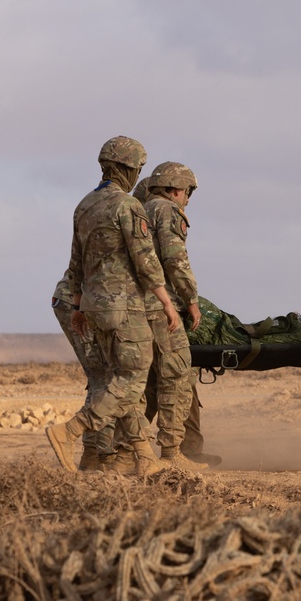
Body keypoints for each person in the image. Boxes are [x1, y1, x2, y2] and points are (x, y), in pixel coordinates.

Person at [45, 136, 180, 476]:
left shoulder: (84, 206)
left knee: (114, 380)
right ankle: (69, 432)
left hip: (92, 306)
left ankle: (143, 457)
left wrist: (77, 307)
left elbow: (76, 263)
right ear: (126, 169)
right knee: (134, 377)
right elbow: (146, 261)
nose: (138, 175)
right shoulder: (128, 206)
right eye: (137, 169)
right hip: (125, 306)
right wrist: (167, 303)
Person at [131, 162, 219, 470]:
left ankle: (125, 451)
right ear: (176, 189)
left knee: (145, 385)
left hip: (134, 309)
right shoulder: (166, 211)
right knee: (177, 378)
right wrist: (190, 300)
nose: (188, 200)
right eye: (188, 192)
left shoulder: (137, 210)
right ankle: (172, 453)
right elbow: (174, 260)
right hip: (159, 308)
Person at [51, 270, 108, 471]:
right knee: (105, 378)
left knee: (101, 378)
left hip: (80, 299)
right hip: (80, 302)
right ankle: (102, 454)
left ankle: (93, 454)